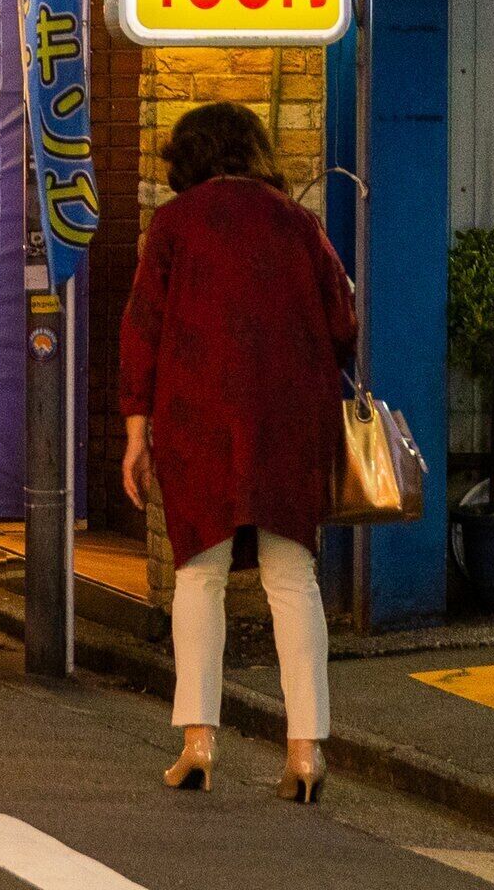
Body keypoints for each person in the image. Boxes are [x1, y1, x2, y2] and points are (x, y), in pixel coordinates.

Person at [118, 100, 358, 803]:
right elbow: (343, 320)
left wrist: (136, 433)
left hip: (199, 415)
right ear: (254, 150)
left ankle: (198, 742)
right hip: (287, 417)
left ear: (188, 159)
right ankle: (306, 750)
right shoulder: (297, 223)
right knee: (293, 581)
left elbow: (144, 329)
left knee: (200, 575)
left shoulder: (175, 224)